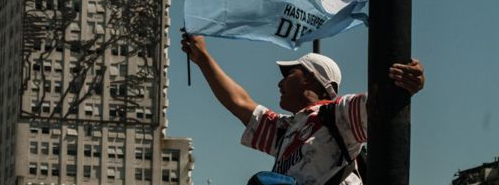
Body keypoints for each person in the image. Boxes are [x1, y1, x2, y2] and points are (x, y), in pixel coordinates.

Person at [180, 34, 425, 185]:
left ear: (310, 78)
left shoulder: (336, 114)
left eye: (289, 74)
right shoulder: (284, 130)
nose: (279, 82)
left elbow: (379, 105)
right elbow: (239, 103)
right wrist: (202, 57)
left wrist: (408, 83)